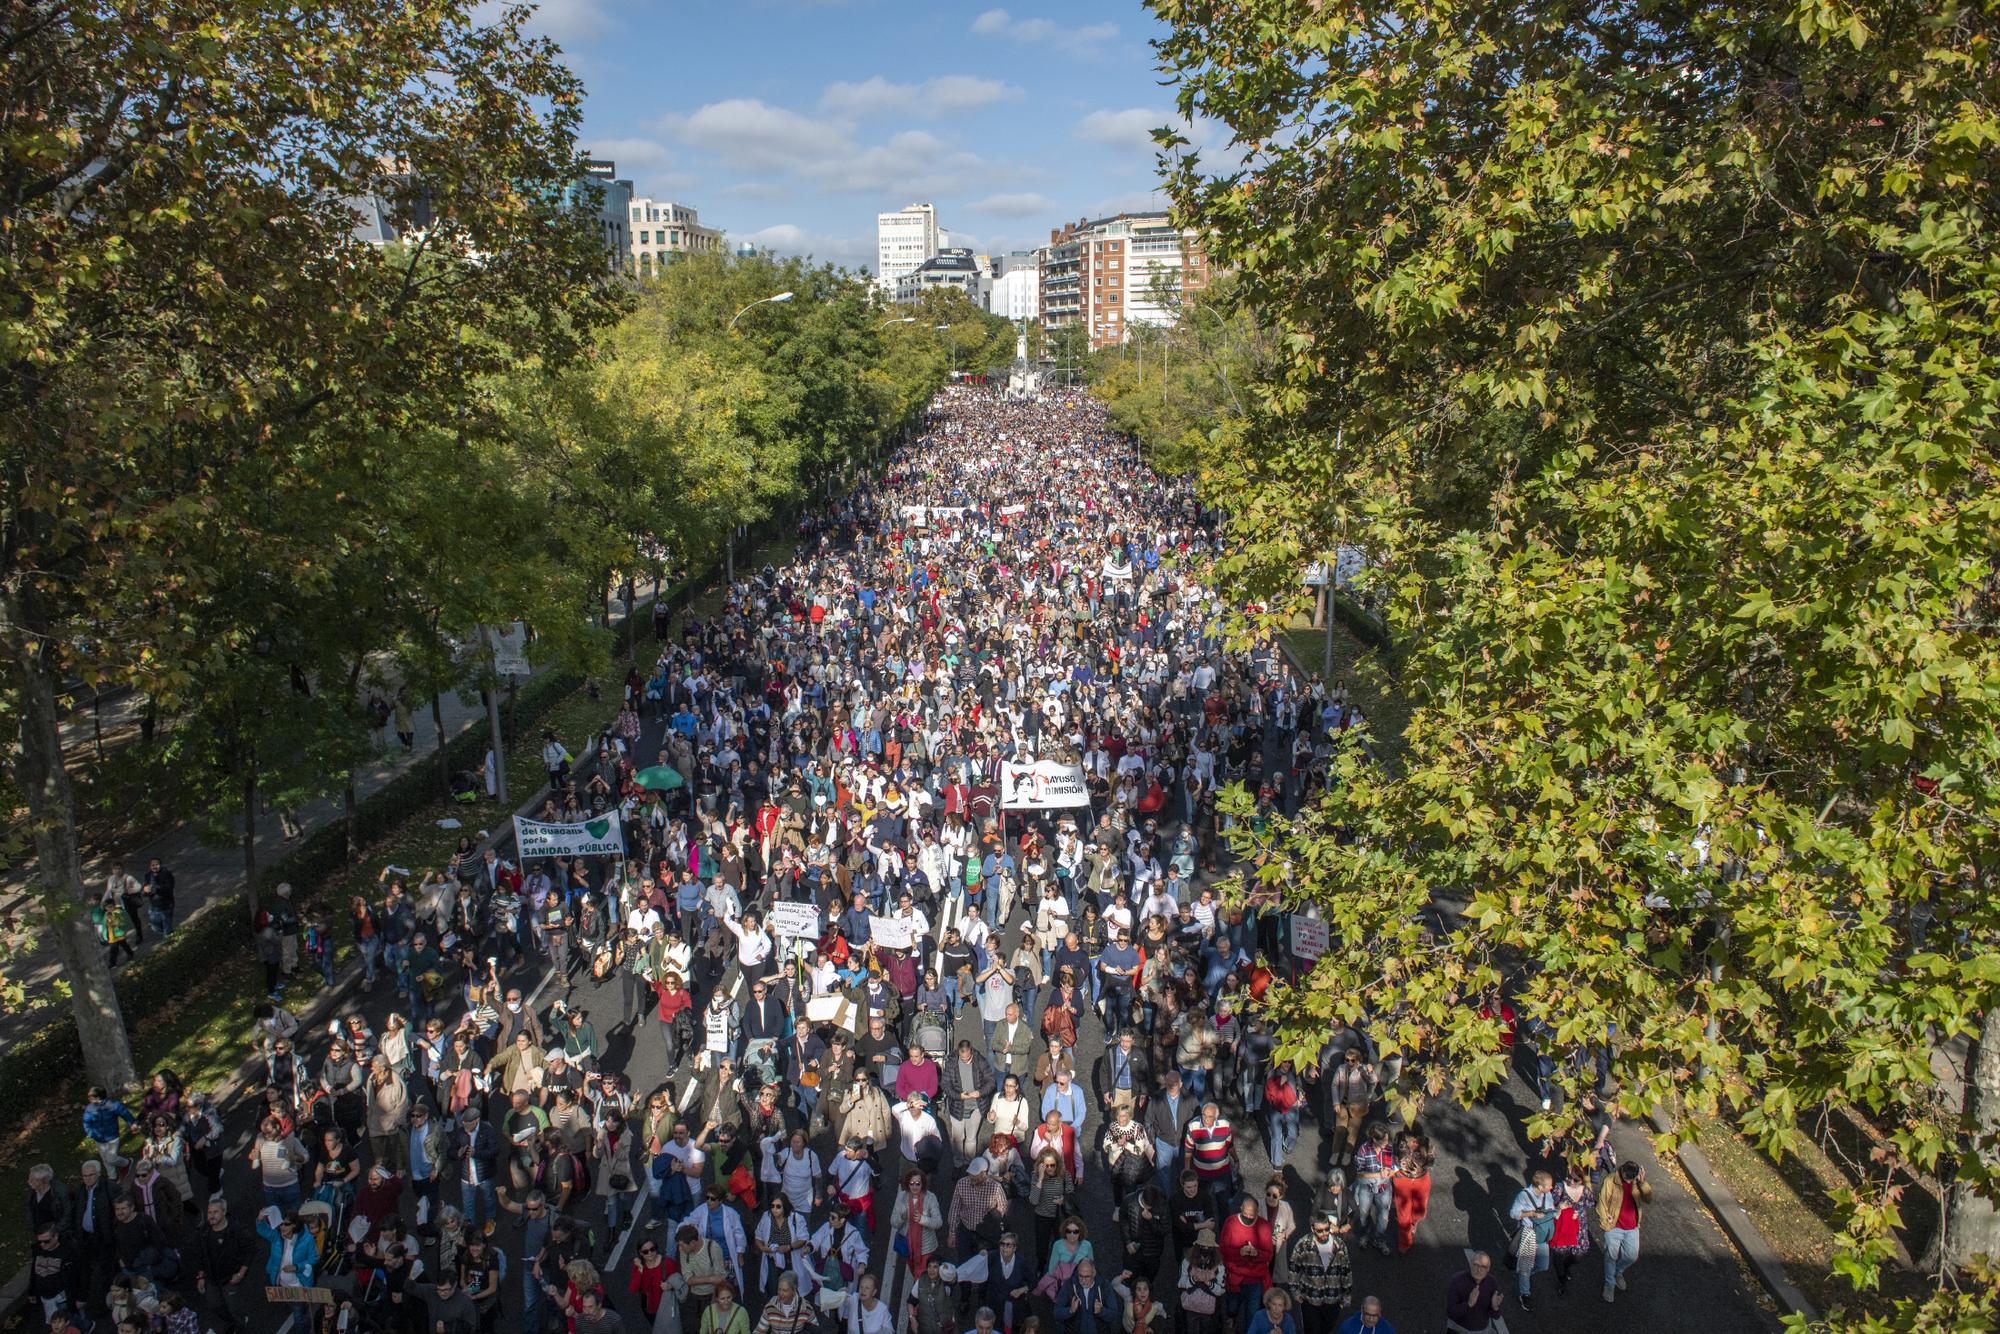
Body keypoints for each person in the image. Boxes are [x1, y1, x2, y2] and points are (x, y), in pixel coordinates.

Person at [1286, 1212, 1351, 1334]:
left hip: (1333, 1297)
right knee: (1313, 1330)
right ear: (1312, 1228)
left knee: (1327, 1327)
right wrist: (1294, 1291)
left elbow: (1346, 1270)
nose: (1324, 1233)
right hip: (1310, 1297)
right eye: (1320, 1230)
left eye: (1327, 1229)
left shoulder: (1339, 1245)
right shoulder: (1303, 1245)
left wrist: (1347, 1292)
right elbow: (1294, 1268)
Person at [1597, 1159, 1651, 1302]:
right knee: (1611, 1257)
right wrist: (1605, 1220)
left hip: (1632, 1228)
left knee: (1631, 1256)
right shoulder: (1611, 1180)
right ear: (1622, 1171)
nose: (1627, 1180)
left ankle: (1617, 1272)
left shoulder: (1637, 1182)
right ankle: (1609, 1285)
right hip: (1614, 1227)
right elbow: (1602, 1202)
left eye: (1630, 1179)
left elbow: (1649, 1198)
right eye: (1625, 1177)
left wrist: (1642, 1183)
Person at [1506, 1168, 1557, 1311]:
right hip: (1529, 1233)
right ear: (1540, 1187)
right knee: (1526, 1266)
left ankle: (1524, 1274)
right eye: (1549, 1185)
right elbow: (1513, 1213)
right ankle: (1524, 1293)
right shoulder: (1524, 1196)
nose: (1551, 1188)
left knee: (1543, 1265)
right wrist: (1532, 1214)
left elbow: (1551, 1210)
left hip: (1542, 1235)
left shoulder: (1548, 1195)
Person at [1053, 1257, 1121, 1334]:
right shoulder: (1068, 1285)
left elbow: (1114, 1315)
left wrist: (1102, 1311)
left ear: (1094, 1273)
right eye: (1080, 1276)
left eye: (1087, 1277)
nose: (1083, 1280)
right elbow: (1057, 1313)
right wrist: (1070, 1311)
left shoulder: (1104, 1286)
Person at [1443, 1253, 1504, 1334]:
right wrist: (1468, 1304)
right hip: (1459, 1329)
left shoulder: (1492, 1283)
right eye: (1476, 1265)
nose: (1478, 1270)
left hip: (1483, 1330)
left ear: (1488, 1269)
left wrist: (1495, 1308)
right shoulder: (1457, 1281)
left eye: (1483, 1267)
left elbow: (1496, 1316)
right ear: (1470, 1264)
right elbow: (1451, 1313)